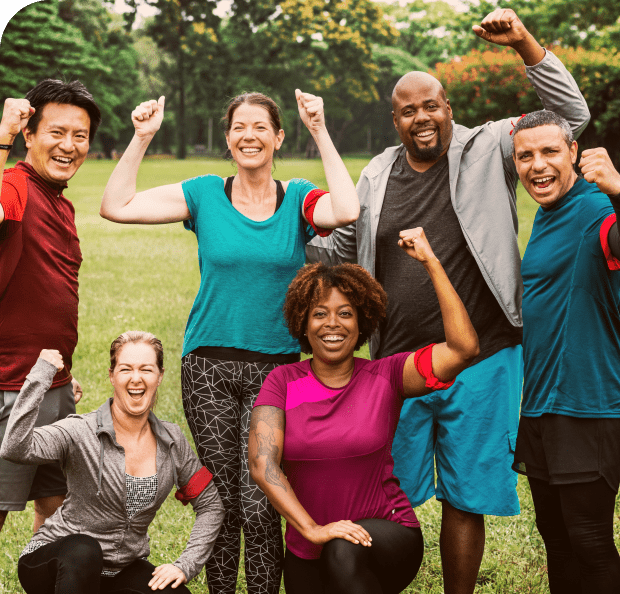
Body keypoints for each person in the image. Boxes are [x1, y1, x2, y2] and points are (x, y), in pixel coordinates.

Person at [305, 9, 590, 592]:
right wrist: (274, 225)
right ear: (395, 120)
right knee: (389, 494)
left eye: (431, 105)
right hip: (400, 365)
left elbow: (570, 117)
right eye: (408, 110)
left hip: (484, 355)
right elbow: (339, 242)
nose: (422, 117)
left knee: (467, 496)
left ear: (449, 107)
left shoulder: (489, 147)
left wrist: (525, 45)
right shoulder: (377, 174)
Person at [99, 90, 359, 594]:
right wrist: (142, 137)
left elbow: (346, 209)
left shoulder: (298, 198)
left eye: (261, 126)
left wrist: (320, 128)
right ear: (228, 137)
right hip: (208, 367)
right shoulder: (204, 194)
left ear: (278, 137)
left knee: (261, 496)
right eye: (239, 127)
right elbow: (115, 206)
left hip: (276, 372)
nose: (249, 136)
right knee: (221, 500)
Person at [249, 228, 479, 594]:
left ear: (362, 323)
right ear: (303, 325)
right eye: (319, 314)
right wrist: (311, 529)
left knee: (343, 550)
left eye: (345, 313)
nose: (333, 324)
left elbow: (463, 349)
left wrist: (430, 263)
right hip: (309, 546)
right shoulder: (282, 381)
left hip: (385, 534)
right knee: (333, 553)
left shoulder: (387, 375)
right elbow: (262, 463)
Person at [0, 331, 225, 593]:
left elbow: (210, 504)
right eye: (126, 369)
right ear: (112, 375)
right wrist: (39, 377)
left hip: (119, 569)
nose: (136, 378)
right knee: (84, 551)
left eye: (146, 369)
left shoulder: (172, 442)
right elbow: (15, 447)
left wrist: (186, 564)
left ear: (160, 376)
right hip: (56, 561)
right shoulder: (81, 431)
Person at [511, 111, 620, 594]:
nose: (538, 165)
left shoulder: (598, 209)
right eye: (525, 155)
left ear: (573, 151)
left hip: (587, 405)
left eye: (550, 151)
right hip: (541, 407)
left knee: (590, 540)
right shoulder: (550, 214)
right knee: (555, 538)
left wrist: (619, 189)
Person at [0, 80, 101, 534]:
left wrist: (60, 377)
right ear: (29, 135)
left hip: (50, 385)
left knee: (59, 513)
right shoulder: (15, 187)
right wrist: (0, 136)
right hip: (9, 388)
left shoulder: (61, 201)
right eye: (56, 132)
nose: (69, 145)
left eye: (79, 135)